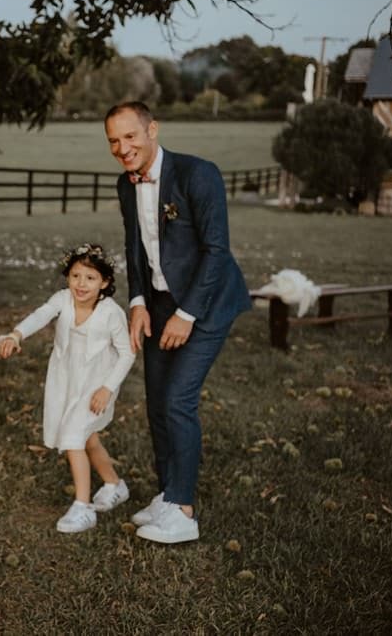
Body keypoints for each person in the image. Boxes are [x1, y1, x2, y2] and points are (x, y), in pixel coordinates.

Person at [104, 101, 251, 544]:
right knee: (155, 404)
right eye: (113, 140)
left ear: (152, 129)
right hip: (159, 303)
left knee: (178, 402)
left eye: (130, 136)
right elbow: (134, 246)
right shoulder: (125, 184)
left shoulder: (197, 174)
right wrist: (137, 302)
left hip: (207, 301)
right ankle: (168, 494)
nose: (122, 148)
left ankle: (184, 511)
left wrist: (187, 315)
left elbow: (217, 251)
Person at [0, 244, 135, 533]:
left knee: (73, 437)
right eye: (75, 276)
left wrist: (107, 389)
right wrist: (16, 334)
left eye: (90, 278)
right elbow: (41, 314)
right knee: (88, 438)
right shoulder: (63, 300)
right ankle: (114, 484)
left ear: (105, 283)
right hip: (66, 380)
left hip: (97, 385)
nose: (81, 284)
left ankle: (83, 507)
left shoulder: (111, 313)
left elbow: (127, 354)